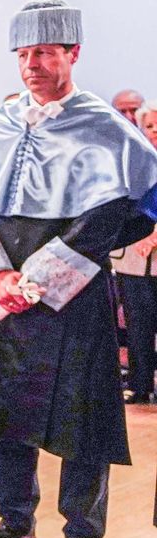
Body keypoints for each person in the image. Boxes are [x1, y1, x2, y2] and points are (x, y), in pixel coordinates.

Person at [0, 0, 157, 538]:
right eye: (25, 54)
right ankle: (14, 522)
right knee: (7, 413)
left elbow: (113, 215)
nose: (33, 64)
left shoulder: (104, 127)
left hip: (74, 292)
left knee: (80, 422)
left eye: (46, 53)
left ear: (72, 54)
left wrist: (35, 281)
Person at [113, 101, 157, 405]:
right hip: (132, 258)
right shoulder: (133, 160)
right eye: (150, 126)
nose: (155, 132)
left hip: (151, 249)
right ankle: (140, 385)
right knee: (138, 323)